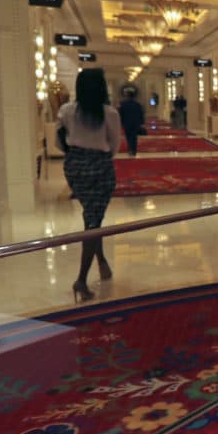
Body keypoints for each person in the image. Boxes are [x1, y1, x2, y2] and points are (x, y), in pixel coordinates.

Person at [56, 68, 121, 303]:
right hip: (100, 167)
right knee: (94, 221)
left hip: (74, 167)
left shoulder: (66, 110)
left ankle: (102, 261)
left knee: (92, 217)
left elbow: (59, 142)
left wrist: (76, 156)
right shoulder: (109, 113)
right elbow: (114, 145)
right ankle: (81, 280)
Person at [118, 87, 145, 156]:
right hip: (135, 124)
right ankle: (133, 150)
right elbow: (141, 114)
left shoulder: (123, 104)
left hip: (126, 123)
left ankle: (130, 149)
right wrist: (142, 123)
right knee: (134, 137)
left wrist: (121, 123)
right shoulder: (137, 104)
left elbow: (121, 114)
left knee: (128, 137)